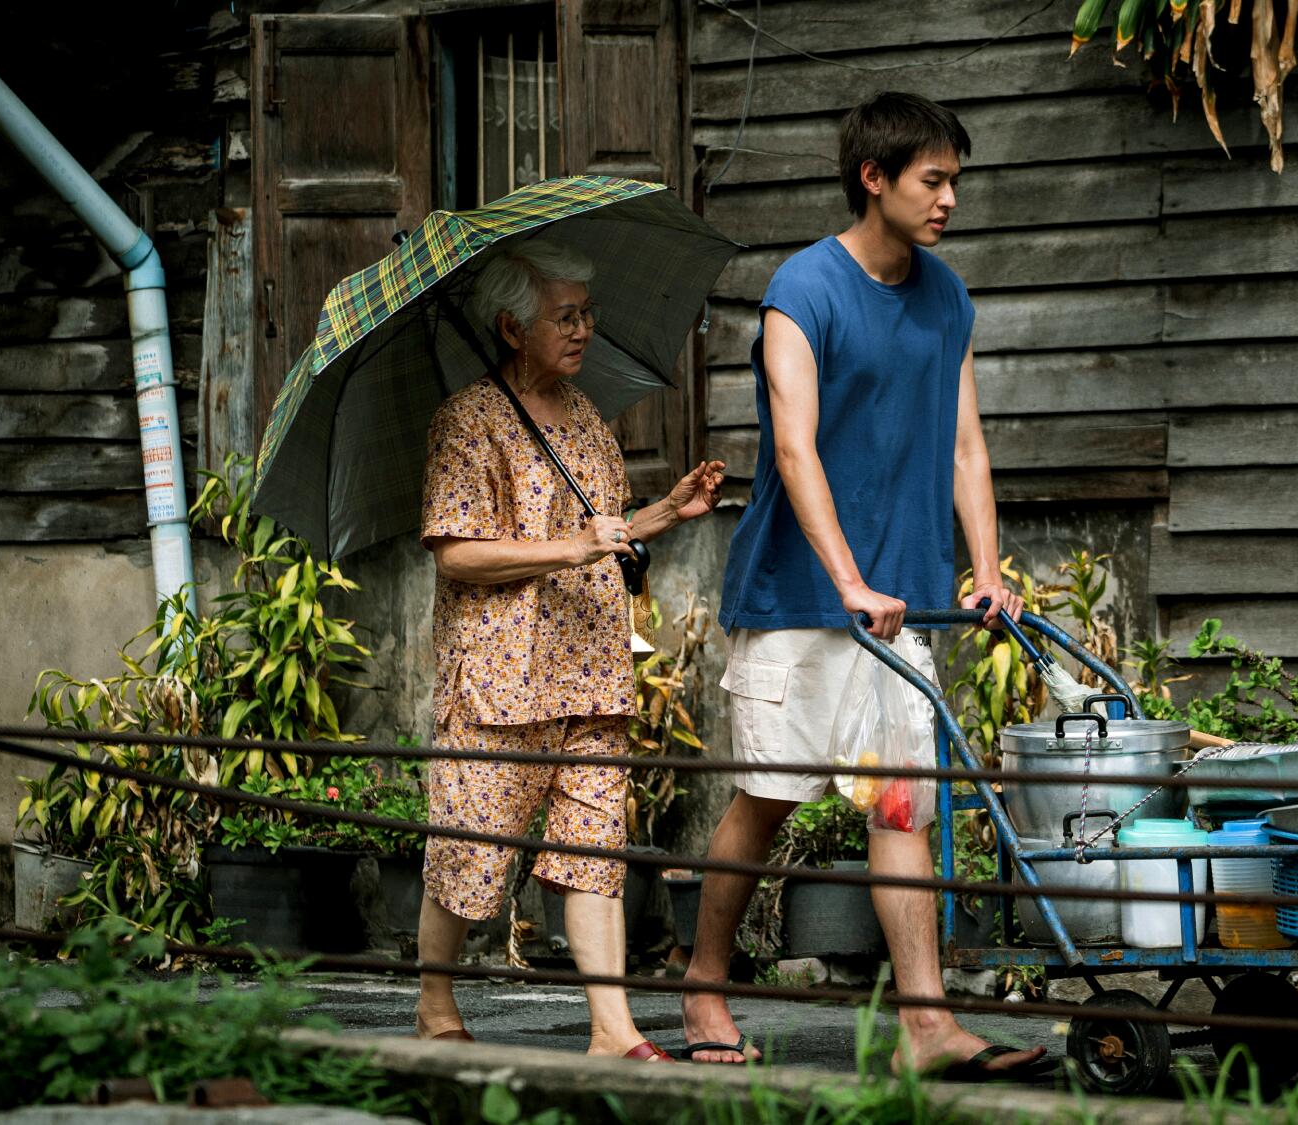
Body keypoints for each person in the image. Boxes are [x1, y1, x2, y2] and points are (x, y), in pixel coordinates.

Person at [680, 92, 1046, 1079]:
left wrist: (983, 571)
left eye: (955, 182)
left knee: (899, 811)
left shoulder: (945, 297)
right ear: (872, 179)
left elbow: (967, 443)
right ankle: (703, 983)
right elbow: (792, 449)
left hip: (901, 608)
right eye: (932, 181)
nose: (949, 201)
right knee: (766, 803)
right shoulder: (801, 291)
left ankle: (924, 1030)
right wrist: (845, 577)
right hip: (799, 604)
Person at [412, 239, 726, 1059]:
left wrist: (664, 512)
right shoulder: (466, 421)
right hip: (501, 678)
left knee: (594, 853)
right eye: (566, 314)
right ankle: (434, 997)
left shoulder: (587, 417)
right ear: (513, 328)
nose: (584, 327)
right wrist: (568, 549)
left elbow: (603, 531)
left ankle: (612, 1030)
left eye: (588, 312)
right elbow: (456, 553)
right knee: (471, 849)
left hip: (592, 669)